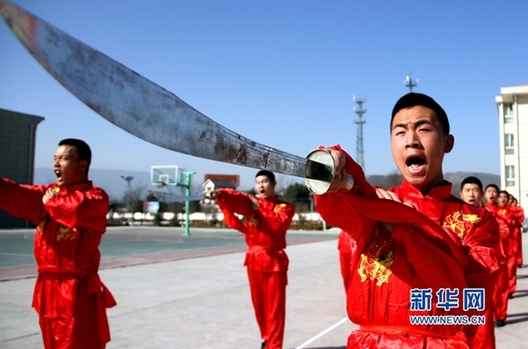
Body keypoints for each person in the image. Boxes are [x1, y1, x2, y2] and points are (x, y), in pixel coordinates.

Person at [313, 93, 501, 348]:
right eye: (400, 132)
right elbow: (345, 199)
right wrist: (338, 163)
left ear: (447, 142)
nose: (411, 141)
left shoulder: (477, 221)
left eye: (423, 129)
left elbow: (467, 295)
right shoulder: (377, 205)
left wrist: (402, 226)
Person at [0, 138, 116, 349]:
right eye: (55, 158)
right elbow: (15, 194)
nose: (56, 164)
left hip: (75, 288)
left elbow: (75, 210)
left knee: (78, 342)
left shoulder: (95, 197)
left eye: (63, 158)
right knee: (52, 342)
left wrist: (49, 202)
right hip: (47, 285)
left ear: (82, 165)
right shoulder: (49, 193)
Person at [209, 170, 295, 349]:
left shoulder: (285, 207)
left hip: (274, 261)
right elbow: (237, 198)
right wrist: (221, 194)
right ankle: (266, 338)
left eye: (264, 182)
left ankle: (274, 345)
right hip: (254, 259)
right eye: (258, 182)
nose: (261, 186)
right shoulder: (250, 203)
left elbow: (278, 224)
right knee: (259, 306)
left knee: (275, 309)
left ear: (273, 184)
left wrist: (260, 207)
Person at [459, 176, 498, 348]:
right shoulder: (454, 216)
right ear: (461, 194)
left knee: (482, 329)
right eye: (467, 190)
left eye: (475, 190)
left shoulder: (486, 218)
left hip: (480, 278)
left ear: (481, 194)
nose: (471, 194)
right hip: (452, 285)